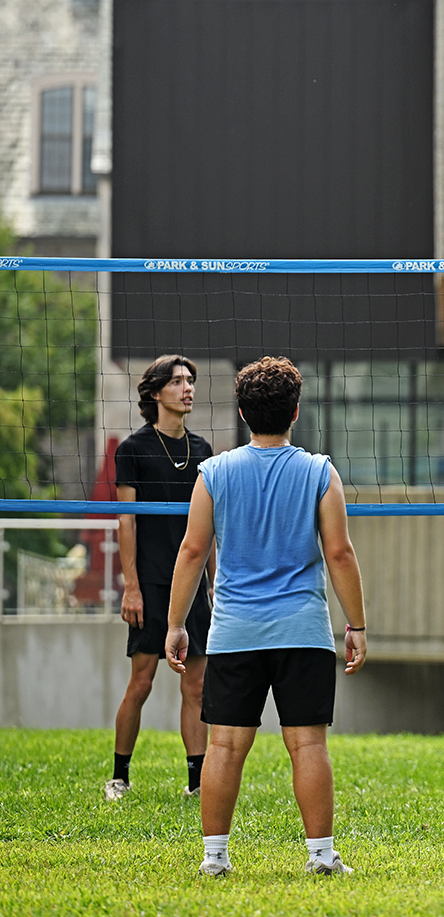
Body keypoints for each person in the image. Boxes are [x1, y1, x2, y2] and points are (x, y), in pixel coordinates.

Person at [164, 356, 368, 878]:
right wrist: (357, 625)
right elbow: (340, 554)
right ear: (296, 411)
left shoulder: (215, 472)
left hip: (235, 632)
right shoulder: (320, 471)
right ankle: (321, 857)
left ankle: (214, 859)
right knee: (308, 745)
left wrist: (176, 624)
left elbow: (191, 551)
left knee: (225, 746)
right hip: (302, 630)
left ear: (241, 412)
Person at [105, 355, 216, 802]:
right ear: (154, 393)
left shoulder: (204, 451)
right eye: (177, 381)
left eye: (191, 380)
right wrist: (130, 585)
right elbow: (125, 522)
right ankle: (118, 776)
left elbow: (208, 526)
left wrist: (213, 581)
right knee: (143, 681)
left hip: (194, 588)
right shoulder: (133, 449)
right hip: (150, 583)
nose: (188, 388)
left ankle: (197, 782)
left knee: (197, 684)